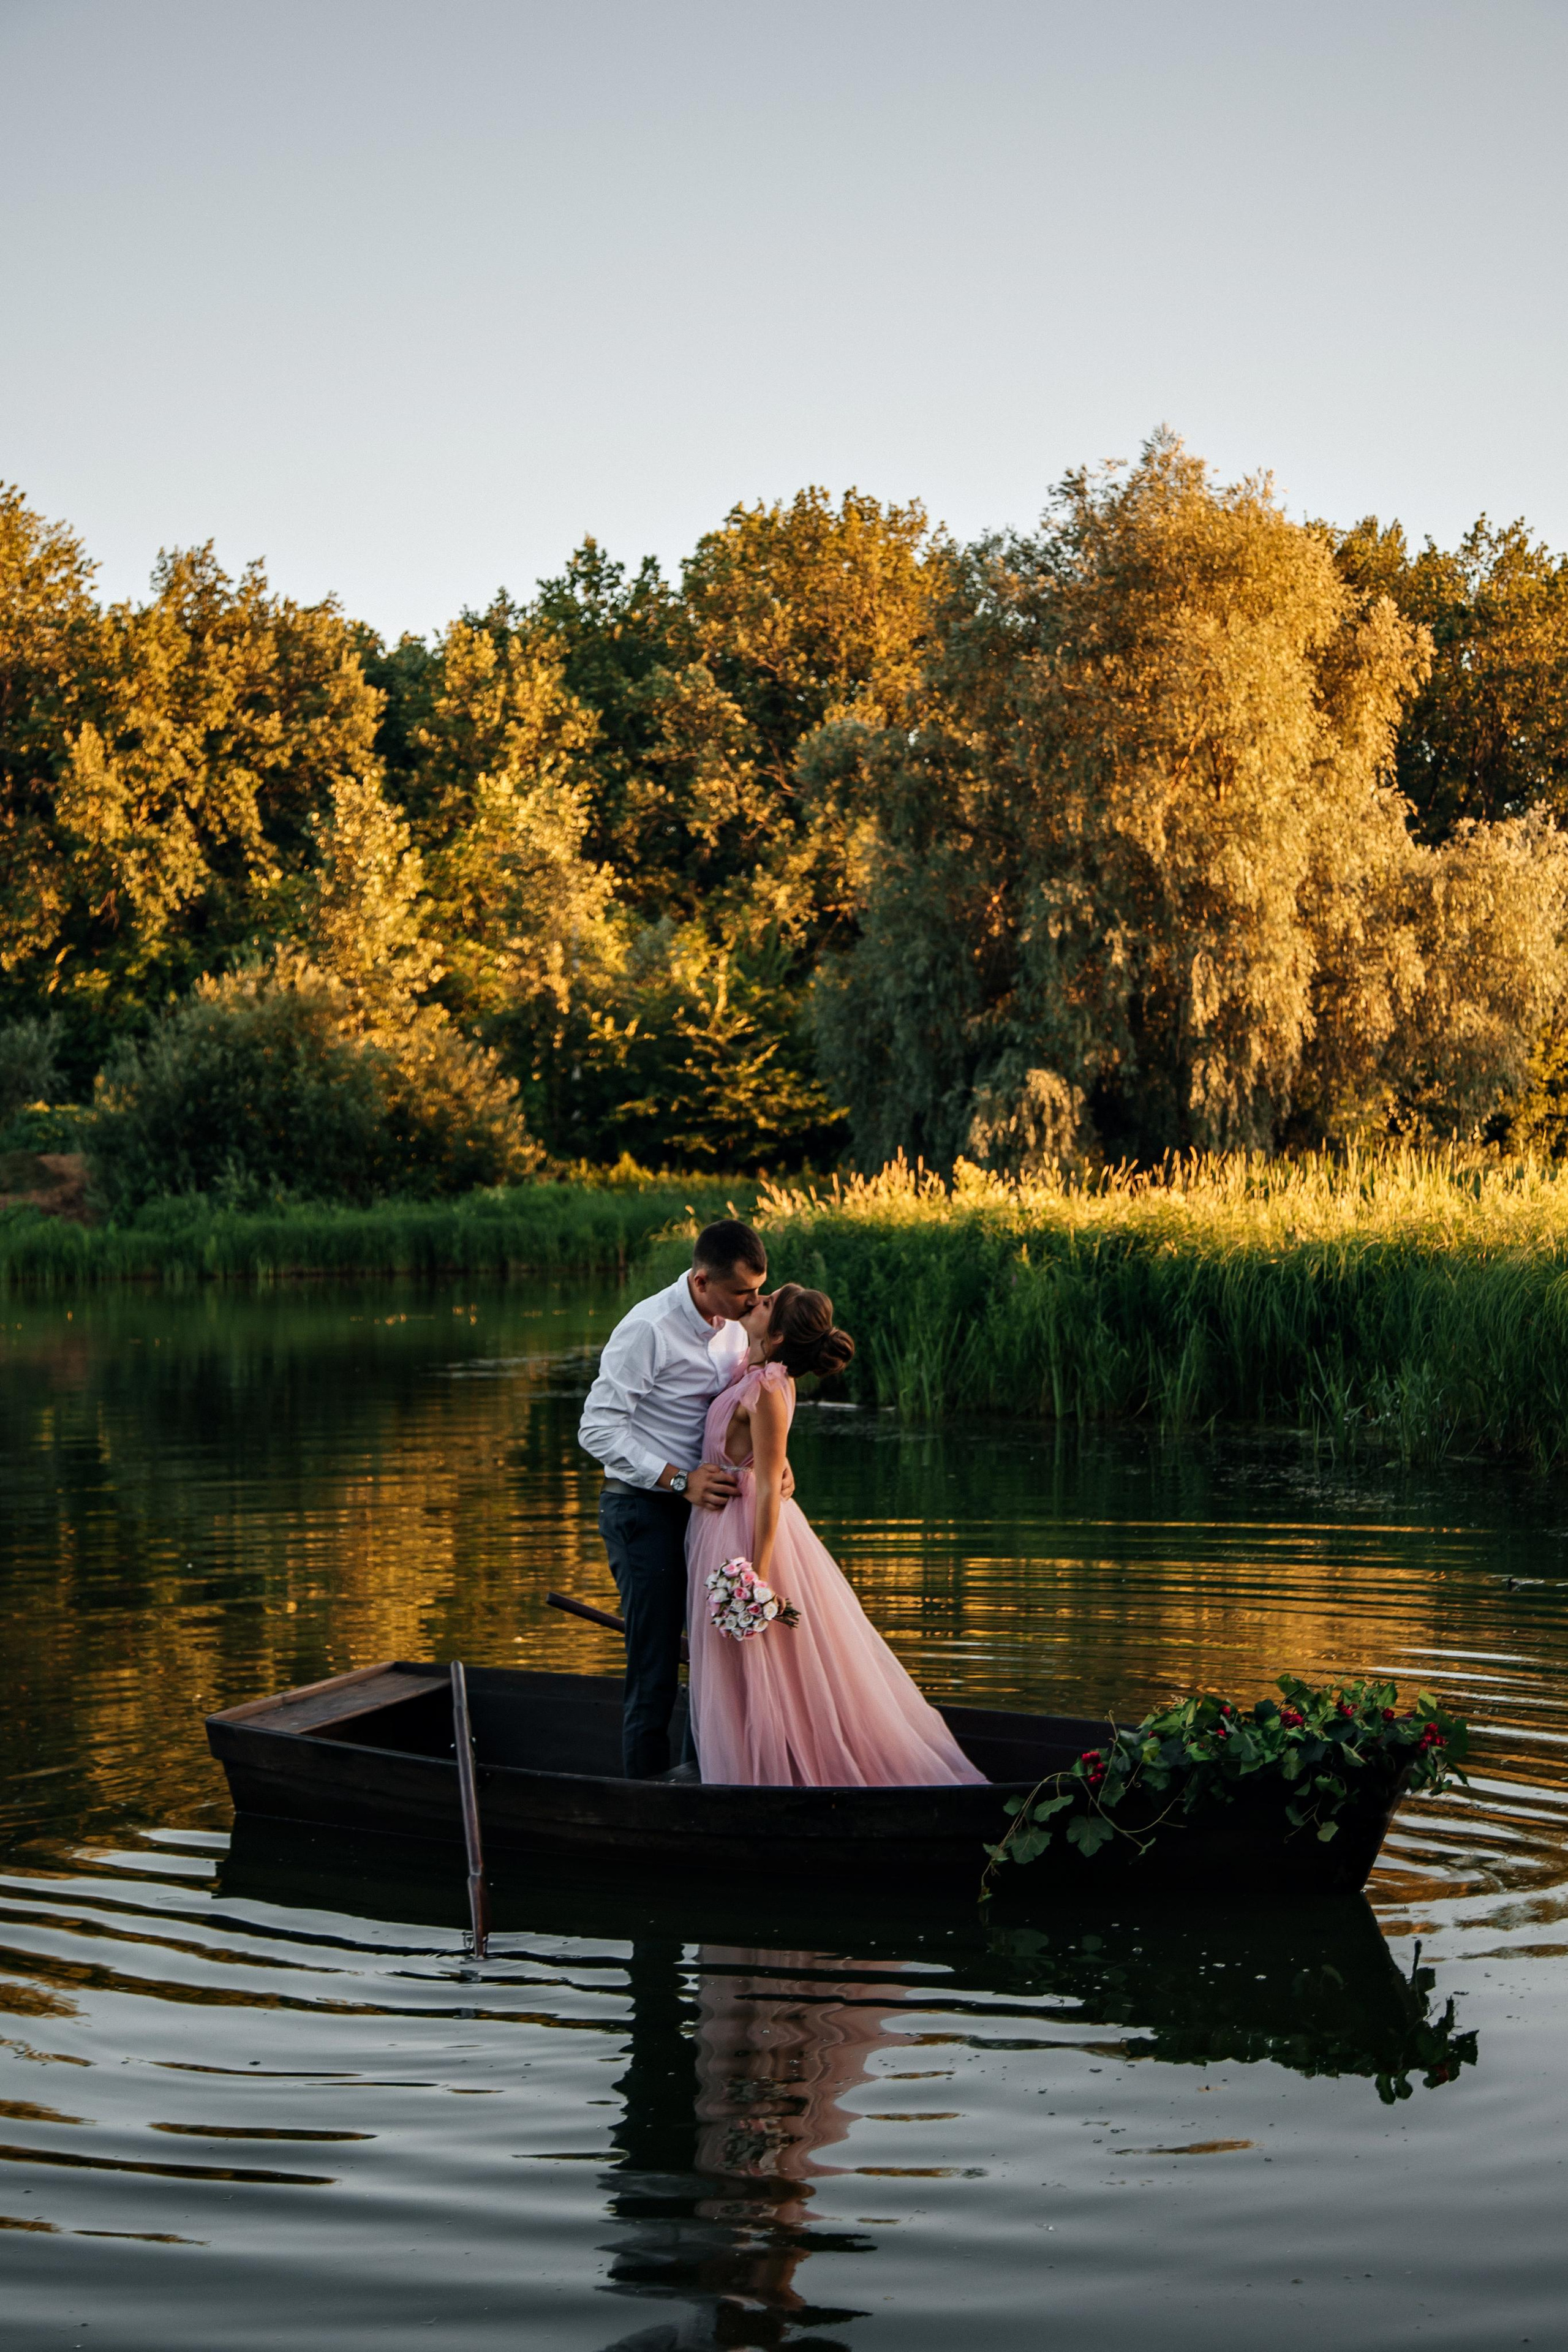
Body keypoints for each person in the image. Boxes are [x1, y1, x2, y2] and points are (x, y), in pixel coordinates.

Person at [685, 1284, 988, 1788]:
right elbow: (764, 1461)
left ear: (777, 1334)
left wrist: (756, 1579)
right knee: (739, 1665)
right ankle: (745, 1772)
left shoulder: (768, 1389)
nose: (753, 1304)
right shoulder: (756, 1374)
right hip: (720, 1520)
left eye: (763, 1304)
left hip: (745, 1532)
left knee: (764, 1659)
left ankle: (773, 1778)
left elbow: (764, 1490)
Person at [579, 1218, 785, 1779]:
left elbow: (736, 1413)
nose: (755, 1301)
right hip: (642, 1510)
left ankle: (701, 1784)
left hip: (706, 1511)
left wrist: (774, 1465)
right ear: (701, 1282)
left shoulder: (735, 1326)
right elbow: (597, 1429)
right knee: (655, 1665)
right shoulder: (648, 1328)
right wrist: (678, 1479)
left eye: (758, 1289)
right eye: (743, 1292)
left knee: (714, 1659)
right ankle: (644, 1799)